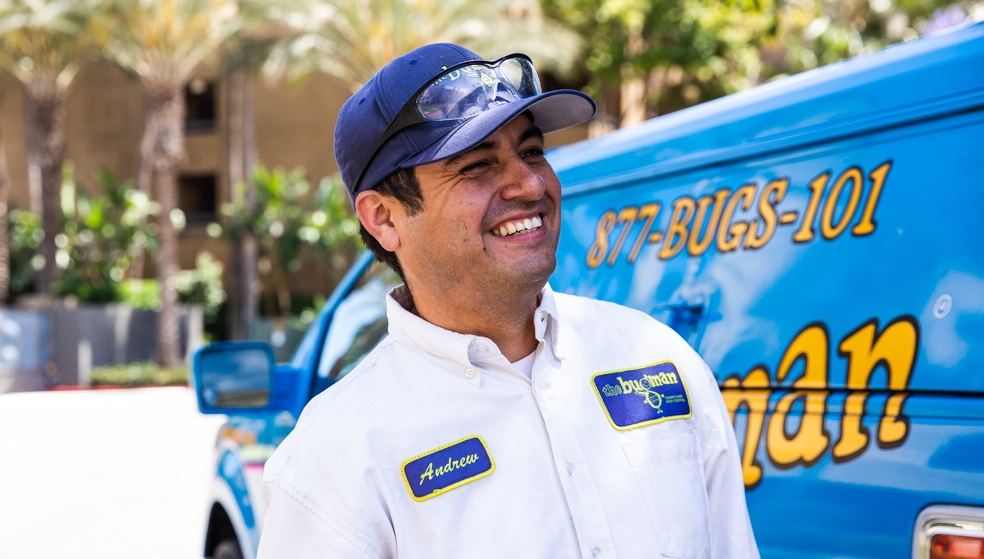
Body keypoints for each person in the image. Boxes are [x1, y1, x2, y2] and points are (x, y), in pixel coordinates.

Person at [256, 43, 759, 559]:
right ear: (383, 218)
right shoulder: (335, 459)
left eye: (533, 151)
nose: (528, 183)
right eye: (476, 166)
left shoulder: (657, 359)